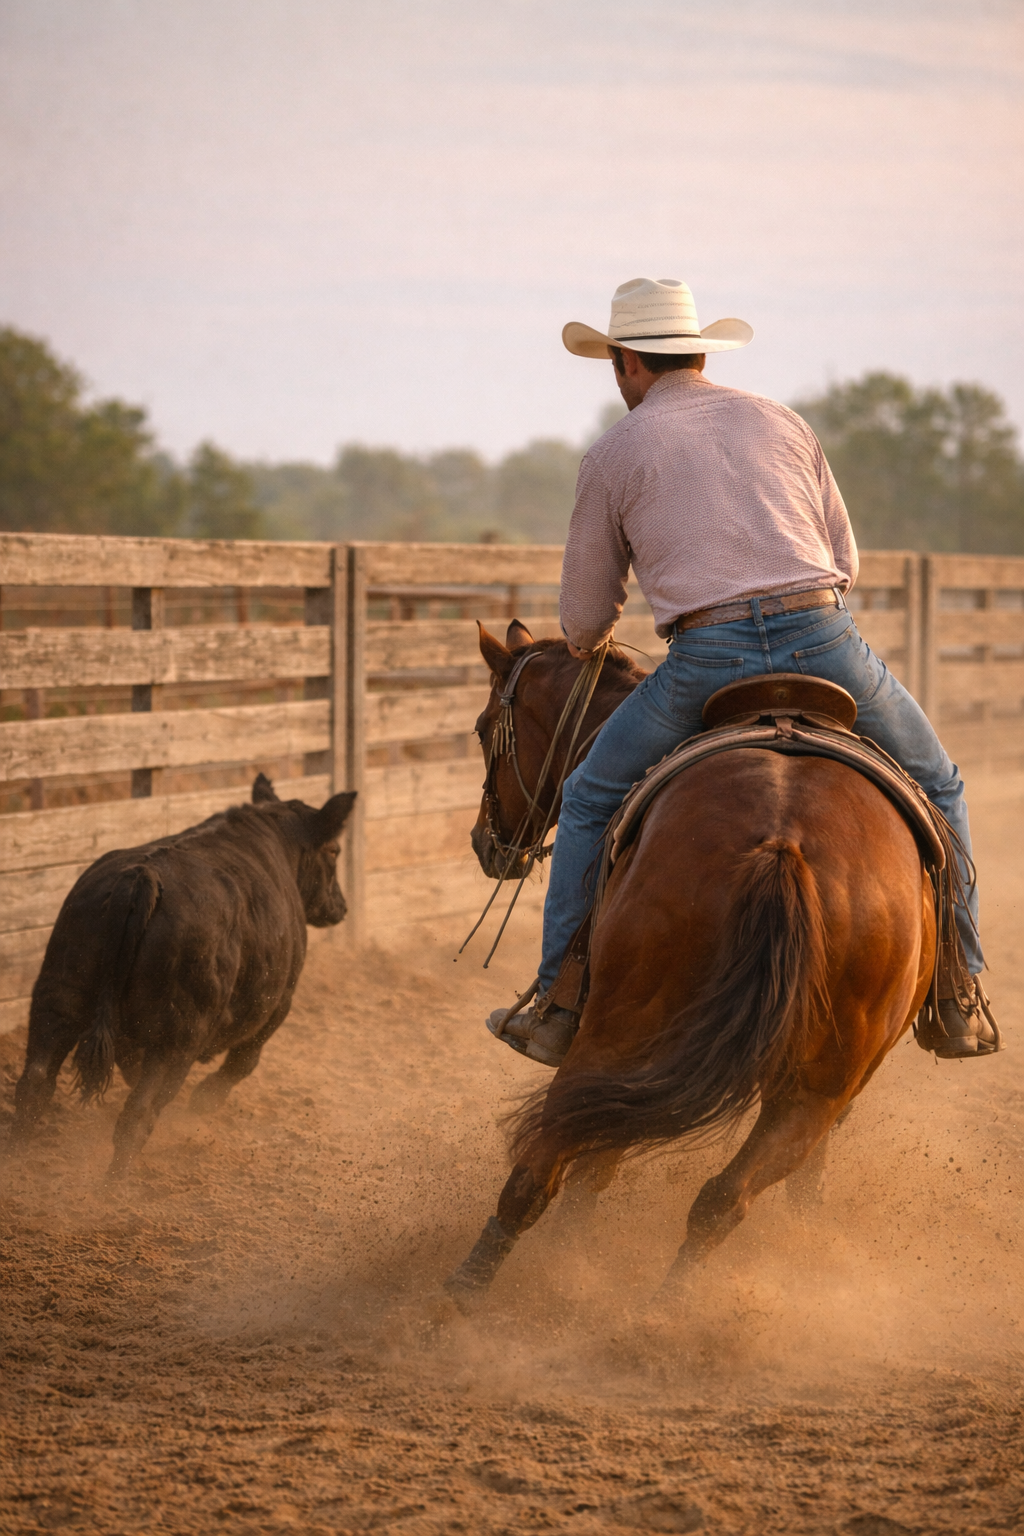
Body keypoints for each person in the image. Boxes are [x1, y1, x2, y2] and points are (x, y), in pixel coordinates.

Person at [488, 276, 997, 1067]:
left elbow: (585, 622)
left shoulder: (614, 453)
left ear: (625, 362)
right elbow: (844, 562)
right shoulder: (782, 422)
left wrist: (613, 628)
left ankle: (559, 998)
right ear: (698, 352)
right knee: (940, 784)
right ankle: (959, 989)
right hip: (825, 642)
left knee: (589, 796)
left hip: (705, 660)